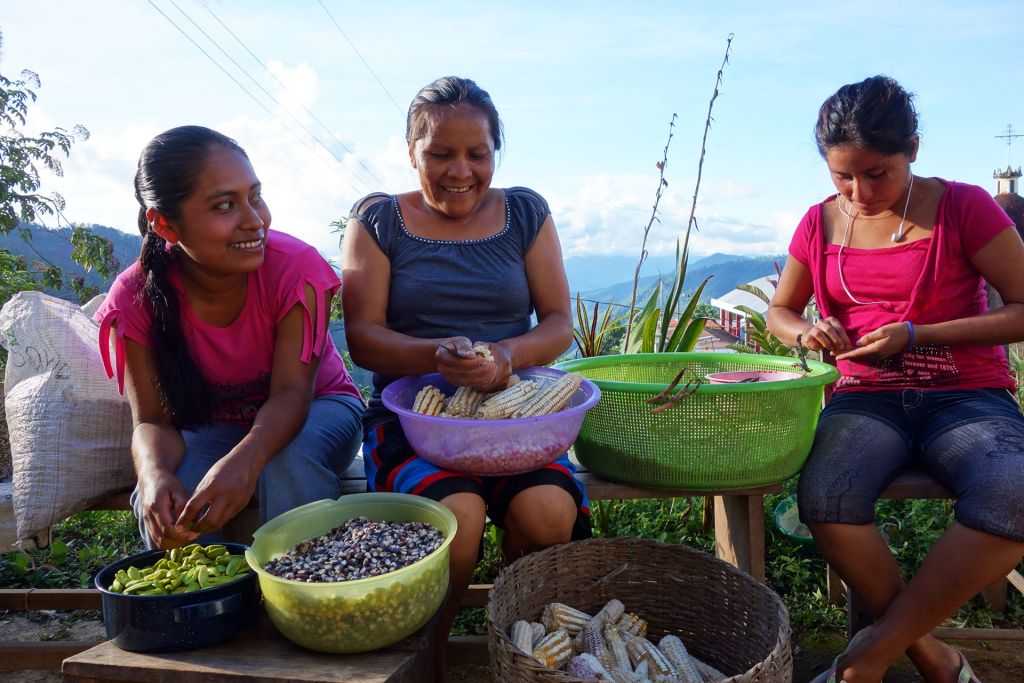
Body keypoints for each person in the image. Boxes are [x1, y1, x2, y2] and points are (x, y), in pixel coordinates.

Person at [767, 75, 1024, 683]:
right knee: (827, 499)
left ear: (912, 147)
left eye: (877, 173)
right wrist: (807, 333)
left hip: (966, 395)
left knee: (1014, 490)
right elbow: (780, 311)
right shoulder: (820, 222)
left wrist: (920, 335)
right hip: (864, 396)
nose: (858, 192)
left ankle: (866, 660)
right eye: (842, 177)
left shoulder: (964, 206)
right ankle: (932, 655)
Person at [341, 76, 590, 678]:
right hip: (415, 421)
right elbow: (363, 337)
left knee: (548, 514)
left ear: (494, 153)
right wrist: (437, 358)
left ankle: (521, 633)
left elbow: (559, 323)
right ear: (411, 152)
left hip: (515, 418)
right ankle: (430, 649)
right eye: (440, 153)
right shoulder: (380, 222)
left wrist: (505, 356)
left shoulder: (526, 213)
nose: (461, 170)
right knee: (458, 520)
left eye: (477, 154)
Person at [96, 125, 364, 550]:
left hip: (320, 406)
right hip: (216, 426)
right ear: (164, 224)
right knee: (178, 494)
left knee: (288, 463)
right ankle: (200, 611)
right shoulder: (135, 296)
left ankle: (303, 601)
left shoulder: (295, 269)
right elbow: (151, 421)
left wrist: (247, 459)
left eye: (255, 196)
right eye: (225, 205)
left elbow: (293, 393)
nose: (255, 220)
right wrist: (153, 474)